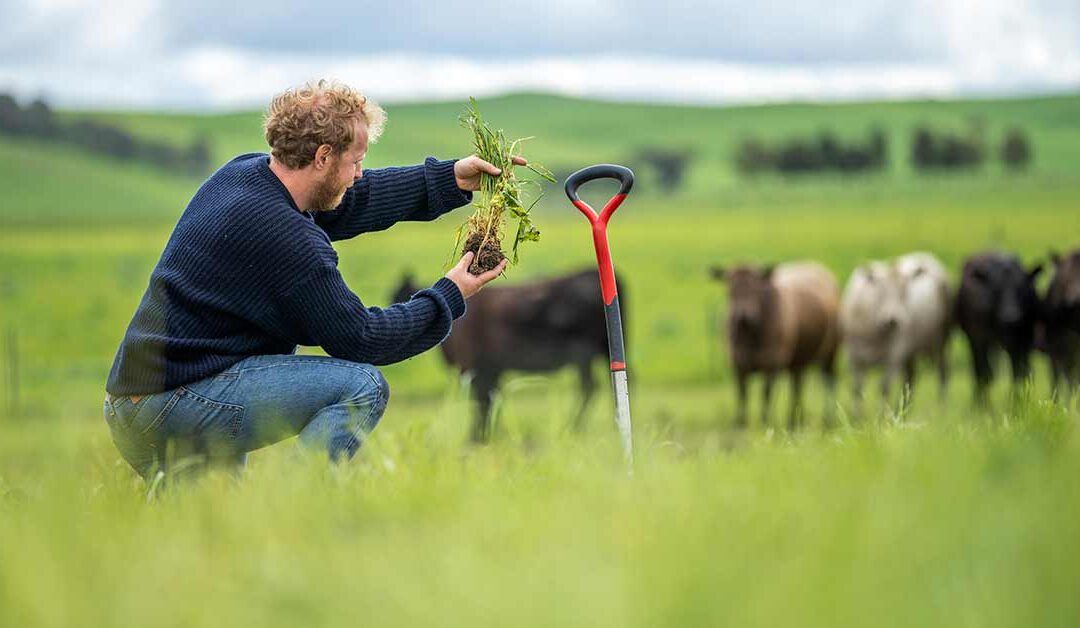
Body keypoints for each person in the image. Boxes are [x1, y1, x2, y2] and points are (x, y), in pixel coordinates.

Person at [103, 79, 522, 481]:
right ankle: (297, 504)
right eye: (355, 161)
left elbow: (353, 200)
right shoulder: (287, 240)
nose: (359, 172)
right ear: (322, 156)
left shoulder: (246, 176)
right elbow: (364, 339)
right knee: (361, 387)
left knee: (208, 530)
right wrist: (451, 294)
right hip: (177, 403)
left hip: (140, 400)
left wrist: (451, 178)